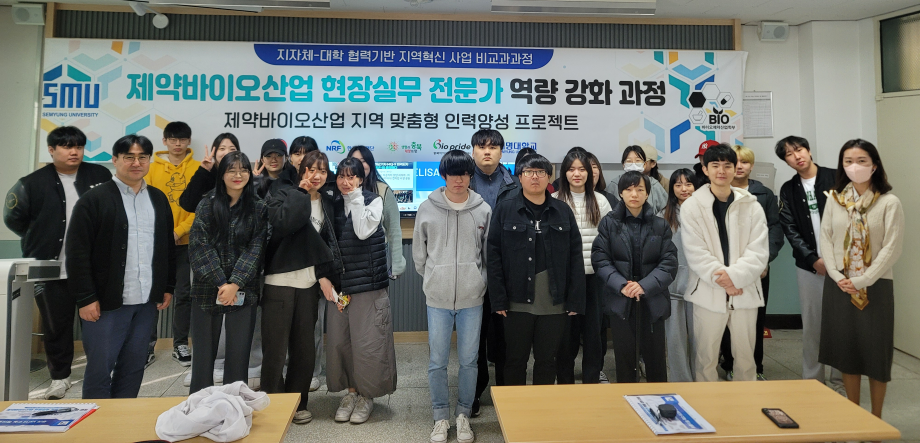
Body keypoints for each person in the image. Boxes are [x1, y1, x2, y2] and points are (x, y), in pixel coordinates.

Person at [3, 126, 111, 399]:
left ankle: (100, 373)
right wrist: (41, 236)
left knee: (98, 325)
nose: (74, 151)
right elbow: (13, 218)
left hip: (92, 270)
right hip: (52, 269)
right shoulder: (31, 183)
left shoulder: (100, 176)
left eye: (79, 146)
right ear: (51, 150)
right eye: (66, 146)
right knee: (55, 326)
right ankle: (60, 378)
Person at [66, 134, 175, 399]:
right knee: (100, 370)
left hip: (146, 303)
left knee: (134, 368)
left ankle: (123, 420)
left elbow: (166, 248)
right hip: (106, 304)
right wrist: (85, 298)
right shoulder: (94, 199)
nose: (136, 163)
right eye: (129, 157)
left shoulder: (158, 199)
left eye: (142, 157)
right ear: (115, 160)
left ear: (149, 160)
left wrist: (167, 286)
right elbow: (77, 253)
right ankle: (96, 424)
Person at [820, 139, 903, 419]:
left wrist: (863, 279)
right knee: (848, 353)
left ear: (874, 165)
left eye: (861, 161)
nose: (854, 166)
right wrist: (836, 275)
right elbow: (826, 238)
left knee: (876, 354)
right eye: (848, 161)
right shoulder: (835, 199)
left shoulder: (889, 202)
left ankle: (876, 418)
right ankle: (855, 415)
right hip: (839, 286)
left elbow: (892, 247)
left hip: (876, 286)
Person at [413, 150, 491, 443]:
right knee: (437, 360)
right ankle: (440, 416)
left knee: (470, 360)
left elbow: (488, 255)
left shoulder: (483, 210)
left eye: (464, 173)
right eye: (453, 174)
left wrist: (479, 282)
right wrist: (434, 279)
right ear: (443, 175)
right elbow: (419, 255)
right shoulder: (427, 208)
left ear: (470, 176)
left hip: (472, 297)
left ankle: (463, 414)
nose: (459, 179)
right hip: (438, 297)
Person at [488, 154, 585, 386]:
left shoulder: (562, 211)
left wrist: (575, 300)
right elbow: (493, 256)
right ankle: (514, 408)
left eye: (540, 172)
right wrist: (498, 299)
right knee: (514, 360)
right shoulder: (504, 210)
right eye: (529, 172)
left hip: (554, 301)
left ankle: (542, 408)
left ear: (549, 178)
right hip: (515, 300)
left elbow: (575, 257)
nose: (535, 177)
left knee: (547, 361)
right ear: (520, 177)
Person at [261, 150, 339, 425]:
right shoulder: (281, 193)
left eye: (322, 171)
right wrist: (301, 193)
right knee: (275, 350)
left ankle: (298, 402)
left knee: (304, 350)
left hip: (308, 284)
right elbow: (284, 224)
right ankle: (273, 404)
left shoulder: (328, 203)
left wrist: (324, 276)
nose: (316, 175)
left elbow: (327, 244)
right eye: (311, 169)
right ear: (300, 170)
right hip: (279, 282)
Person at [680, 143, 768, 382]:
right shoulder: (692, 206)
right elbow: (695, 251)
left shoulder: (751, 205)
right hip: (708, 291)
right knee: (705, 358)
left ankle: (746, 402)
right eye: (715, 165)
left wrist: (736, 278)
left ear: (734, 168)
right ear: (705, 169)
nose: (721, 170)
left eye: (727, 165)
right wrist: (726, 281)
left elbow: (759, 250)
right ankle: (706, 402)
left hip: (744, 290)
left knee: (746, 359)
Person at [188, 151, 268, 394]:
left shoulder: (258, 207)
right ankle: (200, 403)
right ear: (221, 174)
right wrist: (221, 283)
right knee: (203, 357)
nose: (238, 175)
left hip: (243, 291)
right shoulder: (207, 204)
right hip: (206, 289)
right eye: (231, 170)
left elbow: (256, 249)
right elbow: (199, 246)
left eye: (243, 170)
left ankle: (234, 403)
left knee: (238, 354)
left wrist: (235, 283)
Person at [326, 157, 397, 425]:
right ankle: (351, 393)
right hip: (341, 287)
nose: (346, 182)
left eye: (351, 176)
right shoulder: (332, 204)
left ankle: (368, 396)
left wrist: (356, 198)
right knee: (342, 343)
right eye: (341, 176)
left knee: (370, 344)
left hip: (368, 285)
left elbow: (363, 231)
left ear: (361, 178)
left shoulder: (373, 200)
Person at [593, 171, 677, 383]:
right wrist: (622, 285)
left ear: (647, 194)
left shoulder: (660, 225)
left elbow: (668, 263)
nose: (634, 194)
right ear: (620, 193)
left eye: (640, 189)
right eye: (629, 189)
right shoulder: (609, 223)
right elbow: (601, 260)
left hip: (652, 297)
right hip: (621, 298)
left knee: (656, 359)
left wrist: (644, 286)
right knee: (624, 359)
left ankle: (658, 399)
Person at [776, 135, 844, 391]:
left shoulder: (838, 178)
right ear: (786, 161)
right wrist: (813, 259)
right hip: (809, 267)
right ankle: (813, 382)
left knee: (842, 325)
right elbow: (790, 228)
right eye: (789, 154)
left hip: (844, 265)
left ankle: (840, 382)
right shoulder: (788, 189)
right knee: (813, 326)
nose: (797, 156)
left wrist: (838, 259)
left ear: (809, 150)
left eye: (799, 149)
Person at [718, 145, 784, 380]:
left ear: (752, 166)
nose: (739, 166)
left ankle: (756, 368)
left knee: (755, 320)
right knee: (726, 317)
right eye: (733, 162)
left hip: (757, 268)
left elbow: (774, 229)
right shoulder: (717, 192)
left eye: (744, 162)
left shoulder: (764, 194)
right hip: (726, 269)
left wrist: (765, 260)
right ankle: (729, 364)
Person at [468, 129, 519, 416]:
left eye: (493, 147)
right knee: (474, 337)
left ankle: (506, 394)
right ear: (473, 151)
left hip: (507, 271)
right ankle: (474, 392)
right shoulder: (463, 181)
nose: (487, 151)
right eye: (481, 146)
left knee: (505, 337)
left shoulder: (514, 184)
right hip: (472, 269)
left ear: (501, 152)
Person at [553, 150, 613, 385]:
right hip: (565, 280)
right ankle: (564, 383)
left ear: (589, 173)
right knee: (565, 336)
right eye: (571, 169)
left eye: (581, 169)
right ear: (564, 173)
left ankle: (591, 381)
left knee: (593, 335)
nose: (576, 174)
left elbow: (609, 239)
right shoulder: (555, 200)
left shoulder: (601, 201)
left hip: (594, 278)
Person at [144, 121, 199, 368]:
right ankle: (146, 346)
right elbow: (144, 203)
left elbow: (201, 207)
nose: (178, 144)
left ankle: (180, 344)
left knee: (184, 294)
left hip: (186, 242)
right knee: (152, 293)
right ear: (164, 141)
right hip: (155, 243)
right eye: (173, 139)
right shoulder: (150, 168)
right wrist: (164, 233)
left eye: (182, 139)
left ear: (189, 141)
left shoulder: (198, 168)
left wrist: (178, 231)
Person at [659, 168, 699, 382]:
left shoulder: (707, 212)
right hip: (673, 288)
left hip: (701, 289)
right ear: (672, 188)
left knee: (701, 341)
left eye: (688, 184)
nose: (684, 189)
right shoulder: (663, 216)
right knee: (675, 341)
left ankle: (701, 382)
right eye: (678, 184)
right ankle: (681, 382)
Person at [347, 145, 406, 279]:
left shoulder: (383, 190)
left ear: (370, 164)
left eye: (363, 161)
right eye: (355, 161)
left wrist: (397, 264)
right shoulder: (342, 189)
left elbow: (394, 229)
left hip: (376, 258)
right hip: (348, 257)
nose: (360, 165)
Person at [179, 133, 239, 214]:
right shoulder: (207, 174)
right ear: (214, 152)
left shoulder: (242, 175)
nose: (227, 152)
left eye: (232, 149)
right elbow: (187, 205)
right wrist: (203, 171)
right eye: (222, 149)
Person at [619, 145, 667, 213]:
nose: (633, 164)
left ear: (644, 164)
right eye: (629, 161)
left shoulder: (654, 184)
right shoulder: (615, 183)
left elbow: (666, 210)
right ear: (623, 164)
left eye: (638, 161)